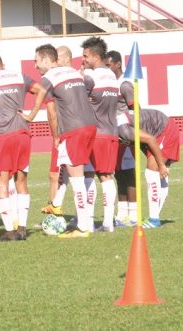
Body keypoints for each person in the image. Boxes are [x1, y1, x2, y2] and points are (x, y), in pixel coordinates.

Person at [20, 44, 97, 238]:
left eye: (36, 61)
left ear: (47, 60)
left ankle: (83, 227)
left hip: (73, 129)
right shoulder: (74, 73)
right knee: (74, 173)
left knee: (77, 177)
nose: (35, 66)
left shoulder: (50, 77)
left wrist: (31, 115)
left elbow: (40, 96)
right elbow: (89, 86)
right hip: (90, 125)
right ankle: (73, 215)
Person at [0, 53, 39, 241]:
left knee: (1, 181)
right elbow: (42, 90)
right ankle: (22, 228)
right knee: (21, 181)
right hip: (22, 133)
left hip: (1, 137)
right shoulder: (19, 76)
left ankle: (8, 230)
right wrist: (32, 114)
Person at [80, 37, 119, 233]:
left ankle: (87, 220)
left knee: (88, 174)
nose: (84, 59)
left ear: (95, 57)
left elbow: (80, 102)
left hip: (95, 133)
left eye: (86, 56)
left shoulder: (90, 77)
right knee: (106, 176)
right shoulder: (112, 77)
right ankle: (108, 222)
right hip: (112, 131)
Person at [117, 108, 179, 228]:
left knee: (151, 173)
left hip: (164, 130)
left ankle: (154, 219)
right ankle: (154, 217)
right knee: (156, 173)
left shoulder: (122, 130)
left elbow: (150, 139)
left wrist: (160, 165)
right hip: (157, 131)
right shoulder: (116, 125)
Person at [105, 50, 138, 226]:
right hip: (114, 135)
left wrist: (130, 132)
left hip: (126, 135)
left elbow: (136, 108)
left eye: (109, 65)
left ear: (118, 64)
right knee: (118, 174)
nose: (107, 68)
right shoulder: (109, 84)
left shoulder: (124, 84)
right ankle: (122, 213)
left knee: (129, 174)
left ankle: (133, 215)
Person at [41, 45, 73, 215]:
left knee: (57, 173)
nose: (55, 62)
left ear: (67, 59)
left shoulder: (56, 79)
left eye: (58, 58)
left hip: (66, 133)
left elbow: (52, 111)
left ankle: (54, 211)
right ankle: (55, 206)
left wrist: (56, 134)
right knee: (59, 173)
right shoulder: (74, 78)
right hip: (70, 131)